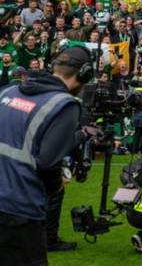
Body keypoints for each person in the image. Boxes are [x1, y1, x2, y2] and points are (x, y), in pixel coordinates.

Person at [0, 47, 87, 265]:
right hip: (19, 209)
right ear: (85, 74)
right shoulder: (64, 105)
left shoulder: (8, 92)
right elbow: (48, 163)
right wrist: (57, 184)